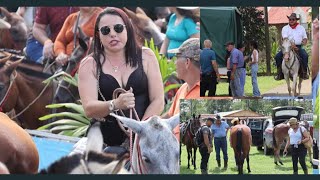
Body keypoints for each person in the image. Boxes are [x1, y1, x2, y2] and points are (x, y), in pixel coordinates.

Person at [78, 7, 164, 153]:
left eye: (118, 28)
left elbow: (158, 100)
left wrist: (140, 129)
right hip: (103, 141)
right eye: (106, 30)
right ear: (98, 35)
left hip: (144, 138)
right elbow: (89, 108)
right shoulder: (89, 64)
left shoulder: (147, 56)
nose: (113, 34)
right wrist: (115, 104)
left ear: (127, 29)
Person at [161, 38, 201, 140]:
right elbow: (169, 116)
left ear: (187, 62)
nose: (174, 63)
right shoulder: (183, 88)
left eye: (177, 57)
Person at [274, 13, 309, 80]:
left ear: (296, 20)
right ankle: (280, 74)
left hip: (298, 47)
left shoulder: (301, 28)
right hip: (287, 47)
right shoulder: (285, 28)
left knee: (305, 55)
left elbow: (305, 38)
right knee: (277, 57)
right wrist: (291, 45)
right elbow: (285, 39)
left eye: (293, 19)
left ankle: (304, 73)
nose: (291, 20)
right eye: (290, 19)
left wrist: (304, 41)